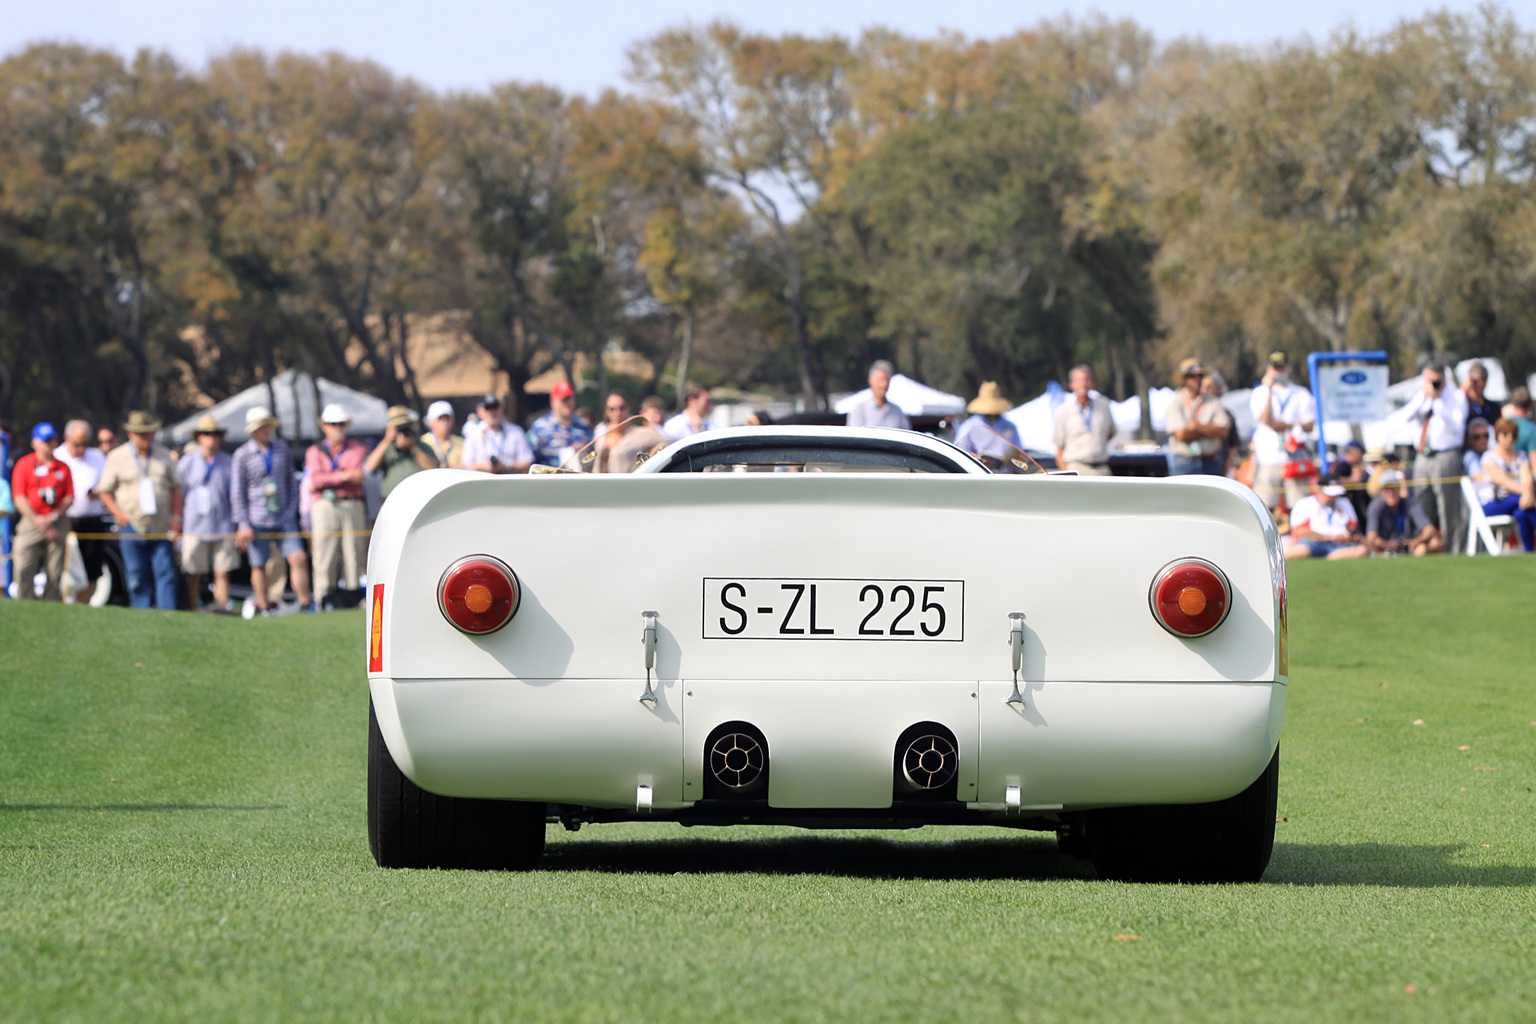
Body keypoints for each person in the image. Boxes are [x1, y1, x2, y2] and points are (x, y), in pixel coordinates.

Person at [232, 405, 312, 615]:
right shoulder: (242, 455)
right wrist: (243, 523)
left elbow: (292, 483)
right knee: (258, 564)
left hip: (284, 516)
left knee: (298, 558)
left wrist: (291, 509)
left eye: (268, 426)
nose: (266, 430)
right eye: (262, 427)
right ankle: (264, 605)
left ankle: (305, 603)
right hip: (256, 518)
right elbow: (237, 491)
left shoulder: (282, 449)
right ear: (253, 430)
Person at [98, 411, 182, 609]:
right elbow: (104, 491)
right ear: (130, 434)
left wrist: (176, 518)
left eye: (149, 433)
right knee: (136, 575)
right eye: (141, 433)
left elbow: (176, 489)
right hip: (131, 524)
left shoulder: (163, 455)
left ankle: (167, 615)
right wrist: (118, 514)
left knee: (166, 573)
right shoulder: (117, 457)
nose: (146, 438)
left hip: (160, 525)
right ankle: (141, 613)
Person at [1395, 361, 1469, 554]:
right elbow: (1404, 417)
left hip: (1446, 455)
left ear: (1444, 378)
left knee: (1448, 506)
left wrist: (1438, 400)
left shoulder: (1456, 397)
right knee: (1421, 503)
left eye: (1436, 380)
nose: (1432, 384)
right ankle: (1423, 547)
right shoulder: (1422, 396)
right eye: (1428, 380)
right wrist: (1425, 397)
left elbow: (1455, 427)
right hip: (1422, 456)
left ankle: (1452, 550)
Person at [305, 404, 369, 607]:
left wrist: (331, 478)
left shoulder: (357, 448)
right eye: (332, 424)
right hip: (325, 504)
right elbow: (315, 481)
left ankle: (354, 595)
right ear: (324, 426)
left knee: (354, 551)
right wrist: (344, 475)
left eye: (340, 424)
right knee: (325, 552)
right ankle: (322, 597)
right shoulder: (314, 451)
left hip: (351, 503)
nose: (337, 428)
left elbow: (358, 477)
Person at [178, 415, 238, 611]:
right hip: (194, 526)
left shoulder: (228, 463)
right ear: (199, 437)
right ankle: (194, 609)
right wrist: (176, 523)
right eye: (206, 434)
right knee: (193, 573)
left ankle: (222, 609)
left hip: (222, 525)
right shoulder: (187, 462)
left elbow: (234, 496)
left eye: (214, 434)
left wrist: (237, 525)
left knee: (222, 572)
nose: (211, 438)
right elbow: (180, 495)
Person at [10, 422, 74, 600]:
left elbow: (69, 497)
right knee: (23, 565)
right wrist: (38, 520)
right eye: (45, 440)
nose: (49, 444)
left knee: (55, 569)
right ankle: (25, 602)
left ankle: (50, 605)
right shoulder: (24, 464)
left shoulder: (63, 467)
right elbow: (19, 497)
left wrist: (52, 517)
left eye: (52, 439)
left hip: (57, 521)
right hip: (31, 520)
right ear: (35, 442)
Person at [1250, 351, 1317, 512]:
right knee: (1265, 506)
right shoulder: (1260, 392)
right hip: (1267, 457)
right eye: (1275, 368)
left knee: (1299, 505)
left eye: (1282, 367)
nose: (1279, 371)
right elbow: (1266, 420)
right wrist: (1269, 390)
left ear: (1289, 368)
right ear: (1269, 369)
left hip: (1295, 457)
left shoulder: (1301, 393)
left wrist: (1283, 425)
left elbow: (1309, 424)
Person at [54, 419, 111, 603]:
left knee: (91, 571)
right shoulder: (57, 456)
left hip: (92, 521)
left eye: (85, 443)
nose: (82, 448)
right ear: (67, 438)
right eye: (77, 444)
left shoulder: (97, 457)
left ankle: (82, 608)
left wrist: (97, 491)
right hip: (66, 522)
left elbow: (107, 484)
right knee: (63, 569)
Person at [1164, 359, 1231, 476]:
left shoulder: (1213, 402)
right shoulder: (1176, 403)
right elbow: (1181, 434)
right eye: (1192, 376)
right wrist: (1210, 431)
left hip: (1210, 461)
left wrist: (1195, 427)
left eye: (1200, 375)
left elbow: (1224, 431)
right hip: (1184, 462)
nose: (1197, 379)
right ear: (1184, 379)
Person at [1478, 417, 1536, 552]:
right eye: (1505, 434)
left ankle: (1529, 552)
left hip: (1520, 502)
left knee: (1523, 513)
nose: (1509, 438)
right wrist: (1527, 493)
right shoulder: (1489, 457)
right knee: (1521, 503)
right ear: (1498, 435)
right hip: (1494, 503)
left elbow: (1526, 477)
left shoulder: (1521, 456)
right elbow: (1502, 480)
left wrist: (1528, 493)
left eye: (1513, 435)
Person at [1283, 472, 1368, 560]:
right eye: (1330, 495)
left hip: (1339, 545)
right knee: (1302, 551)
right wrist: (1330, 537)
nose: (1333, 498)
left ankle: (1331, 557)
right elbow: (1300, 531)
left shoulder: (1344, 503)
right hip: (1312, 543)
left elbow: (1353, 528)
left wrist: (1349, 536)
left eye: (1335, 495)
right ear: (1319, 491)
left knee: (1362, 550)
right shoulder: (1305, 504)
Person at [1050, 365, 1116, 476]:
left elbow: (1111, 433)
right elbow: (1059, 449)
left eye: (1086, 379)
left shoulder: (1103, 405)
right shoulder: (1064, 411)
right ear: (1072, 384)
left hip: (1101, 467)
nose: (1083, 384)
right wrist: (1066, 473)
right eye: (1079, 380)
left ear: (1092, 382)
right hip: (1077, 467)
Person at [1364, 470, 1441, 556]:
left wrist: (1415, 541)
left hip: (1410, 545)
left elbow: (1429, 529)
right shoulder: (1376, 506)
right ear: (1381, 491)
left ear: (1399, 488)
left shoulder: (1410, 503)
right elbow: (1371, 537)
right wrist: (1388, 545)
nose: (1391, 493)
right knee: (1369, 547)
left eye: (1393, 488)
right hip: (1385, 548)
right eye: (1387, 489)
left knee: (1434, 543)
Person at [368, 405, 436, 499]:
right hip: (392, 499)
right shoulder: (386, 448)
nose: (401, 431)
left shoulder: (422, 446)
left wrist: (413, 448)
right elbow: (370, 467)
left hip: (419, 498)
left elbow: (434, 469)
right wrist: (387, 440)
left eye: (405, 426)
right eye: (397, 427)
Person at [461, 394, 534, 474]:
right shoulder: (474, 433)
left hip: (509, 481)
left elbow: (528, 462)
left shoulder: (516, 432)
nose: (492, 413)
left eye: (495, 408)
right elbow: (466, 466)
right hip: (482, 482)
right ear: (480, 412)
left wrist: (507, 466)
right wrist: (483, 466)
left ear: (501, 409)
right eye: (488, 409)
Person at [954, 382, 1022, 467]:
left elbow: (1019, 453)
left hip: (1005, 475)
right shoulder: (969, 426)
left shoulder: (1009, 426)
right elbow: (960, 452)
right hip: (978, 473)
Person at [595, 392, 666, 473]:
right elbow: (596, 464)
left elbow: (664, 444)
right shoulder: (601, 433)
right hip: (601, 482)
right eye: (612, 409)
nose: (617, 412)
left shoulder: (641, 432)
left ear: (628, 408)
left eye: (622, 408)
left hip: (629, 482)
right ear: (607, 410)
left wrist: (646, 465)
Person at [529, 381, 594, 469]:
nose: (567, 404)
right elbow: (529, 459)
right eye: (563, 400)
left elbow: (593, 454)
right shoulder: (540, 427)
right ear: (553, 401)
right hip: (549, 478)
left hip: (577, 479)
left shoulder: (583, 425)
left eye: (570, 399)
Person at [846, 360, 911, 430]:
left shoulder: (897, 411)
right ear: (870, 381)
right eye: (881, 380)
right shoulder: (859, 410)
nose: (884, 384)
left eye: (887, 380)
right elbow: (855, 438)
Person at [1201, 371, 1241, 476]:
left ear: (1218, 389)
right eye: (1202, 386)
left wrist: (1228, 466)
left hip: (1219, 466)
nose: (1204, 390)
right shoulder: (1194, 413)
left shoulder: (1227, 416)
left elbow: (1234, 445)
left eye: (1209, 387)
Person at [1337, 438, 1371, 524]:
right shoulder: (1343, 465)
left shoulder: (1348, 465)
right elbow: (1334, 480)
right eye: (1361, 453)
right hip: (1344, 507)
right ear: (1353, 451)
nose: (1361, 456)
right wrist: (1352, 480)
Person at [420, 401, 463, 469]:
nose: (445, 422)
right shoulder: (422, 442)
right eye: (440, 419)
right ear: (430, 422)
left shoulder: (462, 443)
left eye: (447, 418)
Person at [1460, 362, 1499, 433]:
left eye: (1483, 379)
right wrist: (1465, 387)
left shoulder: (1493, 407)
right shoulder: (1463, 405)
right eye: (1476, 381)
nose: (1480, 384)